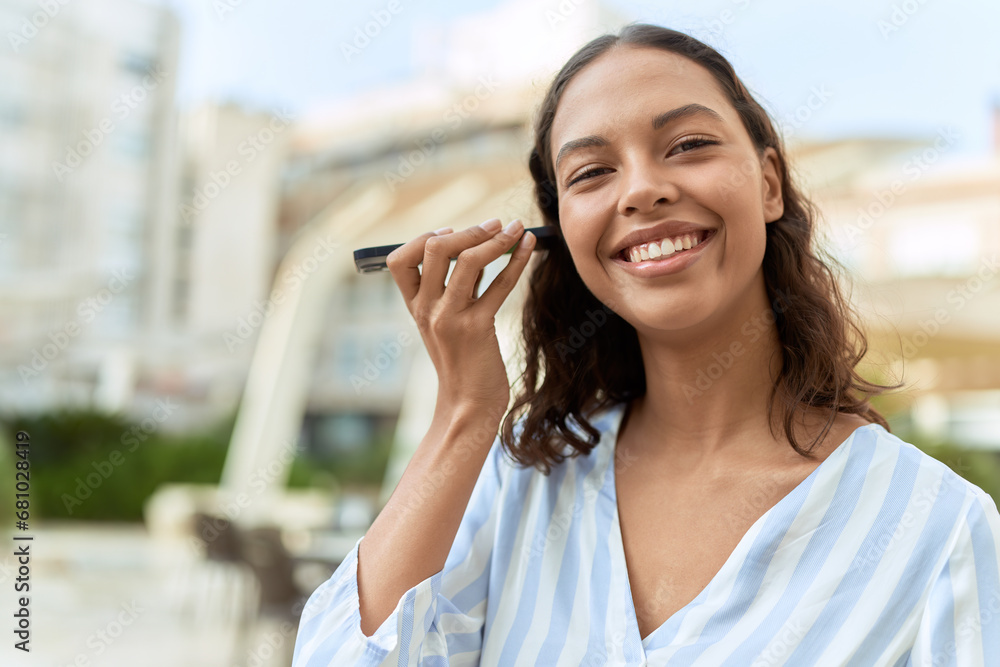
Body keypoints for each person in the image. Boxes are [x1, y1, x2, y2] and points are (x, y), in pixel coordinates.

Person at [293, 24, 1000, 666]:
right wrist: (465, 413)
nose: (643, 190)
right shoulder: (519, 483)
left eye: (688, 145)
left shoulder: (936, 529)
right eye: (592, 172)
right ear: (563, 233)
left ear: (770, 183)